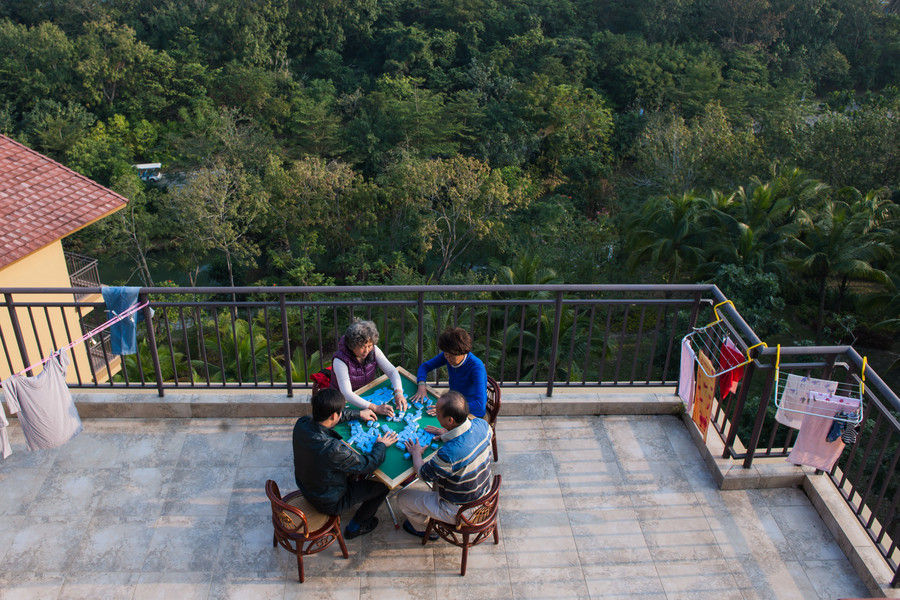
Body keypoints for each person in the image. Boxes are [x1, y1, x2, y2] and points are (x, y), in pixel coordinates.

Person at [293, 388, 398, 539]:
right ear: (334, 415)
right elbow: (368, 464)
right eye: (341, 411)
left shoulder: (302, 423)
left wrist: (358, 413)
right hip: (328, 501)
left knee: (353, 473)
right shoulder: (332, 449)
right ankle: (356, 526)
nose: (341, 413)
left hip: (305, 486)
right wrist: (381, 444)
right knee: (383, 486)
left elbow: (326, 420)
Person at [395, 391, 493, 538]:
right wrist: (446, 433)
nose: (435, 413)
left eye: (438, 412)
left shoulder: (448, 454)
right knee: (440, 478)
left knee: (402, 498)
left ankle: (423, 529)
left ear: (450, 420)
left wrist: (416, 453)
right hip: (484, 496)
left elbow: (423, 474)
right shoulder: (482, 425)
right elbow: (468, 442)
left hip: (461, 511)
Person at [331, 319, 407, 416]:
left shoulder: (374, 350)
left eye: (370, 345)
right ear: (352, 345)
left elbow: (392, 371)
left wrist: (399, 392)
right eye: (362, 346)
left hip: (366, 395)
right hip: (342, 403)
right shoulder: (340, 361)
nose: (366, 350)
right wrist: (375, 407)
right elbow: (347, 394)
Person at [411, 327, 487, 418]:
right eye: (445, 354)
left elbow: (480, 406)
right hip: (453, 402)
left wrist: (448, 408)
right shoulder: (448, 353)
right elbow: (425, 366)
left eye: (451, 356)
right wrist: (421, 385)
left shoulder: (476, 367)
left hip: (471, 412)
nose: (447, 357)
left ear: (462, 352)